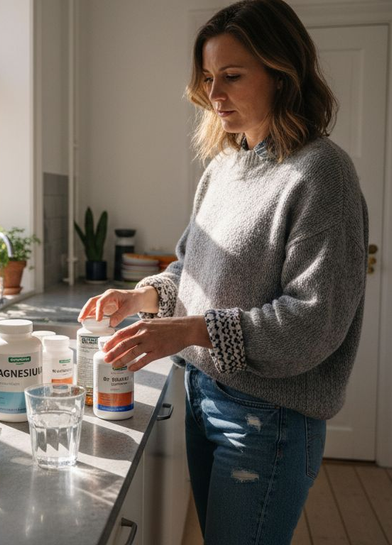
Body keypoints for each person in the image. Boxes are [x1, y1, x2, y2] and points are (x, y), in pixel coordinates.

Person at [77, 1, 369, 543]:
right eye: (209, 78)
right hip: (203, 395)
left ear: (282, 75)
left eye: (232, 76)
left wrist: (189, 330)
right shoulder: (222, 169)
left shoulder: (321, 173)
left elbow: (313, 323)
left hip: (270, 420)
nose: (214, 95)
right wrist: (140, 300)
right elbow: (192, 272)